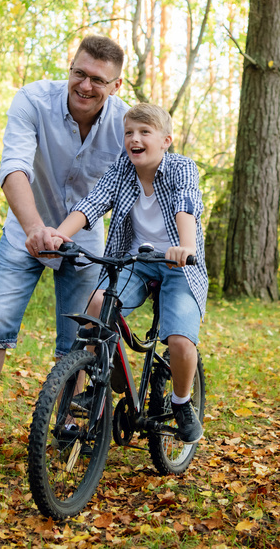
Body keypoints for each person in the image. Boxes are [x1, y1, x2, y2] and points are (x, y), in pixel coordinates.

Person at [0, 35, 129, 467]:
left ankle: (68, 424)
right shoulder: (32, 101)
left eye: (98, 79)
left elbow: (137, 184)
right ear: (70, 67)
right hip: (25, 229)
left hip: (85, 237)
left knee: (77, 339)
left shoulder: (125, 124)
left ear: (115, 85)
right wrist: (35, 228)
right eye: (79, 73)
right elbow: (14, 167)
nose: (86, 85)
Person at [45, 103, 208, 443]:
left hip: (180, 263)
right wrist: (61, 234)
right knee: (97, 306)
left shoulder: (181, 168)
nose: (134, 139)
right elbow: (93, 202)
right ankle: (98, 383)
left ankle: (180, 402)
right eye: (129, 133)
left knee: (179, 340)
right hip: (135, 260)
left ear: (165, 140)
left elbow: (186, 204)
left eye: (144, 132)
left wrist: (187, 247)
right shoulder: (121, 169)